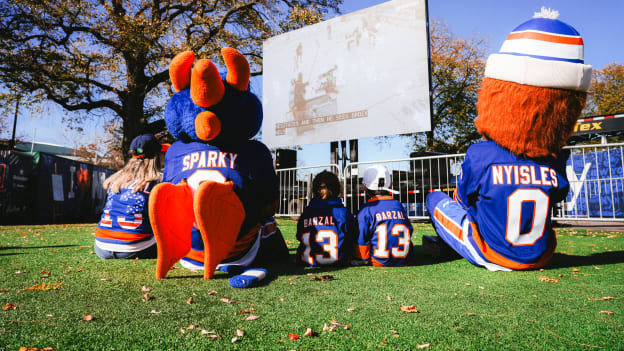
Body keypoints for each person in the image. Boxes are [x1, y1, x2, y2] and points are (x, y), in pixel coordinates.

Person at [426, 8, 591, 271]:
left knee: (435, 198)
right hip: (541, 256)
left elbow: (465, 200)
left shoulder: (481, 153)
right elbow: (559, 195)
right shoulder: (554, 159)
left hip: (491, 254)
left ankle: (452, 245)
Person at [94, 133, 165, 259]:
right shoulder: (158, 181)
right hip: (136, 247)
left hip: (101, 247)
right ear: (156, 156)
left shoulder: (116, 180)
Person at [352, 165, 415, 266]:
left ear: (364, 187)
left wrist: (362, 257)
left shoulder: (366, 209)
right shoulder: (398, 205)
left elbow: (362, 236)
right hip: (404, 259)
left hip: (379, 260)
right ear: (390, 185)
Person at [296, 170, 356, 266]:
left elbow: (299, 236)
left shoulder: (306, 213)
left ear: (314, 190)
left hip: (309, 262)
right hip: (339, 262)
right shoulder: (343, 213)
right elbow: (353, 236)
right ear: (337, 189)